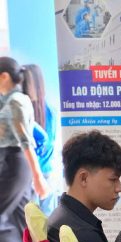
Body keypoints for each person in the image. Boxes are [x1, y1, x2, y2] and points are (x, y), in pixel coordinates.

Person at [0, 57, 48, 242]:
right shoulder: (12, 100)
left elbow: (26, 140)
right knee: (20, 216)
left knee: (5, 215)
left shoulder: (16, 102)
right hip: (13, 161)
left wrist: (38, 176)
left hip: (15, 162)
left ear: (4, 76)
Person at [23, 64, 58, 216]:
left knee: (32, 223)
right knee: (45, 222)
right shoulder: (48, 111)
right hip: (44, 173)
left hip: (35, 175)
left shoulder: (26, 112)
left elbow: (45, 144)